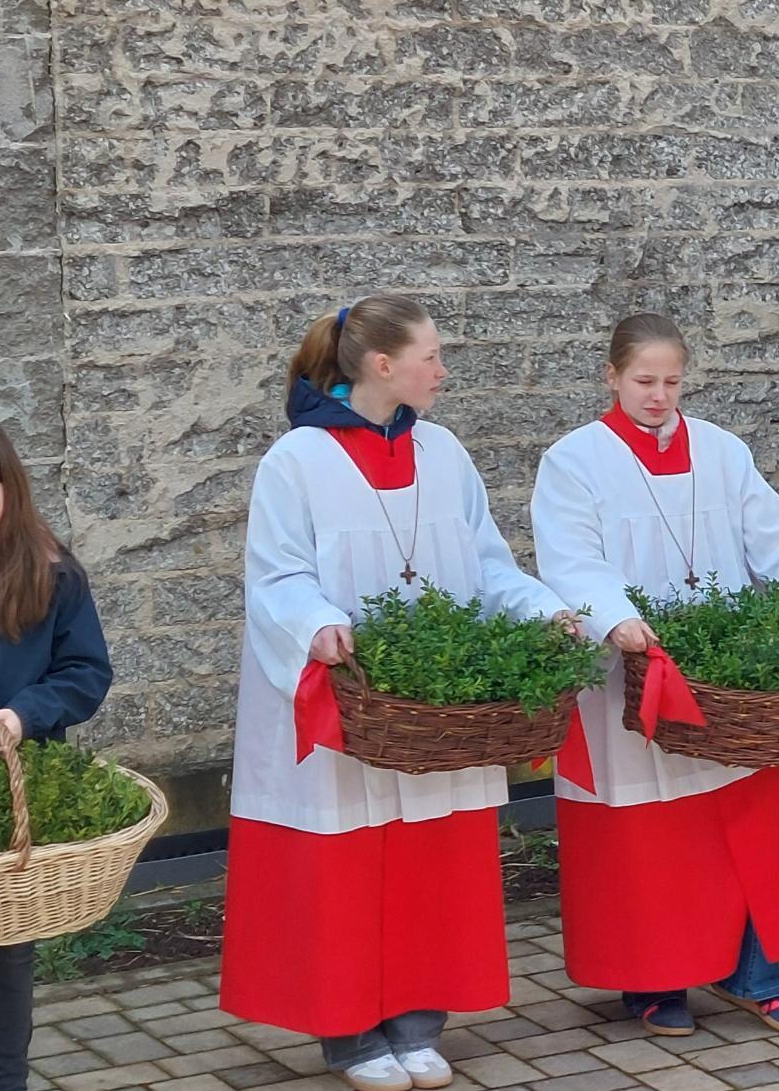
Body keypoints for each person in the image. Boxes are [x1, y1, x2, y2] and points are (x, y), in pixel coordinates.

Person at [220, 295, 577, 1091]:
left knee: (431, 860)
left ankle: (418, 1025)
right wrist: (315, 624)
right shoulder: (298, 461)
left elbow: (486, 563)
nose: (443, 370)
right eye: (431, 355)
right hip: (348, 694)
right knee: (346, 866)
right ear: (383, 366)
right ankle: (350, 1037)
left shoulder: (445, 452)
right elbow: (277, 575)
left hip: (434, 712)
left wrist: (546, 608)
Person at [530, 315, 779, 1037]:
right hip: (629, 668)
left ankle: (756, 973)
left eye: (672, 382)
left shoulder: (721, 450)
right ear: (612, 377)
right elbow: (571, 559)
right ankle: (654, 981)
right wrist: (616, 618)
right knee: (648, 839)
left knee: (743, 824)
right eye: (644, 381)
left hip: (725, 675)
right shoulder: (574, 460)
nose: (658, 396)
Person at [0, 415, 113, 1091]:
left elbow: (84, 672)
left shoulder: (52, 574)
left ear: (11, 490)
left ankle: (8, 1081)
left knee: (7, 949)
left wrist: (23, 717)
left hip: (12, 785)